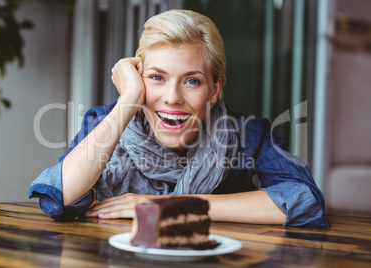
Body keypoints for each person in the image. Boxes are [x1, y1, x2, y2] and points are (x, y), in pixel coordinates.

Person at [29, 9, 330, 227]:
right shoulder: (104, 122)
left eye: (192, 81)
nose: (172, 97)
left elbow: (303, 199)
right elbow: (62, 198)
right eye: (157, 77)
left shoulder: (247, 135)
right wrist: (128, 101)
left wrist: (168, 206)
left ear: (215, 89)